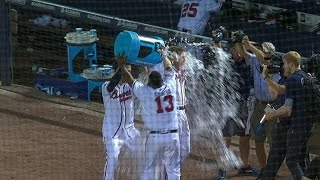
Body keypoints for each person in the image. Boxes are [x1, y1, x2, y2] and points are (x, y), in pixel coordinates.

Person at [118, 54, 181, 180]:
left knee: (149, 169)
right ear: (162, 81)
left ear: (149, 83)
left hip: (155, 138)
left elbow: (129, 79)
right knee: (174, 170)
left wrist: (122, 65)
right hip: (173, 137)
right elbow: (168, 67)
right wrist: (163, 53)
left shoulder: (145, 92)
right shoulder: (171, 86)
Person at [263, 51, 314, 180]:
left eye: (285, 63)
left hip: (295, 126)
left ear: (291, 63)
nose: (283, 66)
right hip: (307, 126)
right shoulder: (306, 78)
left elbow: (287, 109)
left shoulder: (292, 80)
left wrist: (271, 116)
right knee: (300, 159)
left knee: (292, 161)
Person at [233, 37, 280, 177]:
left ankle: (272, 170)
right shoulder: (254, 60)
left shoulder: (275, 63)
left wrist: (250, 46)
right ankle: (264, 169)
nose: (261, 53)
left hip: (273, 107)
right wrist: (240, 42)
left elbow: (263, 58)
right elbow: (243, 53)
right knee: (258, 140)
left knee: (272, 141)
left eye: (263, 51)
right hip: (259, 105)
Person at [217, 47, 258, 180]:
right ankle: (222, 169)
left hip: (245, 105)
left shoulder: (248, 63)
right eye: (235, 50)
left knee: (245, 136)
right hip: (229, 106)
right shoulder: (227, 63)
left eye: (239, 51)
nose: (237, 53)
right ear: (231, 51)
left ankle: (244, 166)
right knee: (226, 137)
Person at [101, 64, 140, 180]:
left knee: (146, 153)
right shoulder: (106, 87)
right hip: (112, 132)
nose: (129, 74)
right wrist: (121, 65)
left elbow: (145, 84)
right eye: (126, 71)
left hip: (129, 130)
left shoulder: (131, 86)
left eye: (130, 71)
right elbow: (111, 85)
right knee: (113, 159)